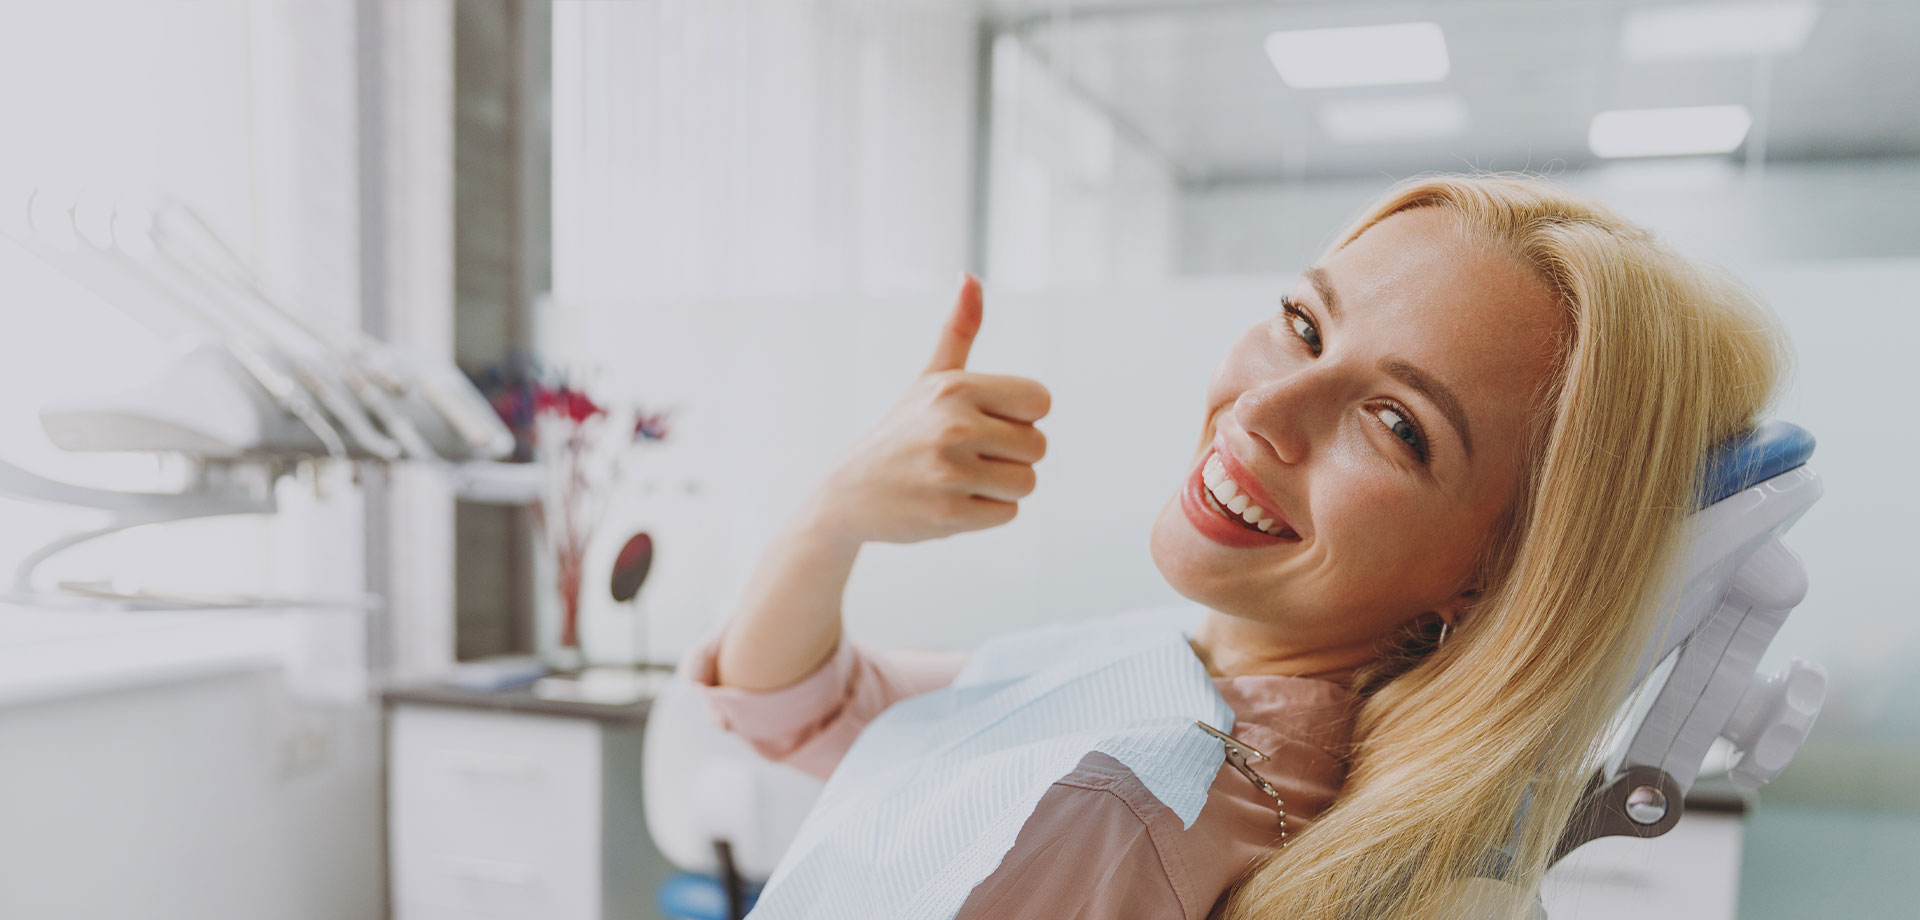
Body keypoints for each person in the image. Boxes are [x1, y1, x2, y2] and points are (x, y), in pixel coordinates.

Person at [677, 174, 1789, 919]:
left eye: (1396, 426)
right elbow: (807, 704)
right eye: (1304, 323)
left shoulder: (1122, 800)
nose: (1265, 407)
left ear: (1496, 568)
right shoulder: (1175, 667)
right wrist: (835, 514)